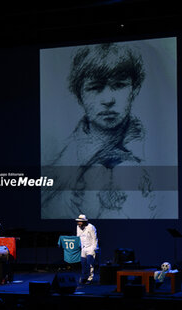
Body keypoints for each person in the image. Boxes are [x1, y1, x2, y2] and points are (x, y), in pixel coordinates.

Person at [42, 42, 158, 219]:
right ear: (79, 95)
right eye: (95, 87)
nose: (108, 99)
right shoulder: (59, 168)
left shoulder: (157, 154)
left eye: (119, 85)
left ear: (134, 90)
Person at [76, 214, 98, 284]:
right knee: (83, 263)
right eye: (78, 221)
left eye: (80, 222)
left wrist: (94, 248)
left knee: (90, 263)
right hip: (83, 247)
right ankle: (84, 277)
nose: (79, 223)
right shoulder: (78, 227)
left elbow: (94, 238)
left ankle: (90, 278)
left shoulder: (91, 227)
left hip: (90, 247)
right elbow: (78, 237)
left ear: (84, 222)